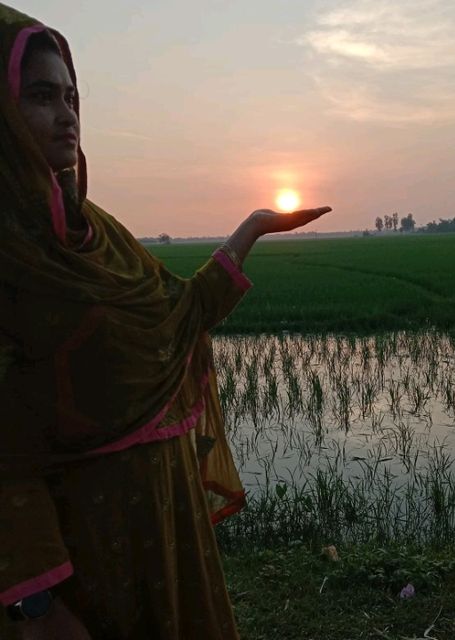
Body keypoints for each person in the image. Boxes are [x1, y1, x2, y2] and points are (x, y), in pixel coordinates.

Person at [0, 4, 331, 639]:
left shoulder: (100, 235)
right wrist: (36, 604)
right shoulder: (7, 255)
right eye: (41, 96)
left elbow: (182, 316)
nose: (67, 115)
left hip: (165, 520)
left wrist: (254, 227)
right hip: (84, 554)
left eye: (72, 96)